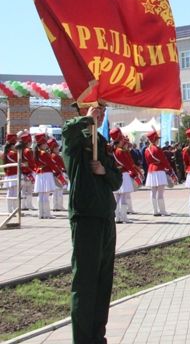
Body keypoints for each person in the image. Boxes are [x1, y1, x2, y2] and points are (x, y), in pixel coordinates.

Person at [62, 104, 122, 343]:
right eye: (95, 109)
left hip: (106, 215)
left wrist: (103, 171)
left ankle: (98, 336)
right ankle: (83, 339)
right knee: (85, 281)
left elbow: (116, 180)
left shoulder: (101, 141)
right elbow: (67, 132)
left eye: (103, 110)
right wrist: (85, 120)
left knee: (103, 281)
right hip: (86, 215)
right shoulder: (76, 140)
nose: (100, 113)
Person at [144, 130, 173, 216]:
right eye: (157, 139)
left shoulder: (146, 150)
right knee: (160, 192)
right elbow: (164, 160)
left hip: (151, 170)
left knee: (153, 192)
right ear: (154, 139)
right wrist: (169, 168)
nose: (158, 140)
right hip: (159, 170)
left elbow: (147, 161)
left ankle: (155, 211)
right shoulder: (157, 149)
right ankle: (163, 211)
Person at [110, 128, 136, 224]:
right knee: (124, 196)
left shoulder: (112, 151)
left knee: (117, 197)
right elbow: (128, 164)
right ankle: (124, 217)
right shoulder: (121, 151)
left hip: (116, 174)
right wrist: (135, 173)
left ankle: (117, 217)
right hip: (124, 175)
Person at [33, 133, 62, 219]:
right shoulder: (44, 153)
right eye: (45, 143)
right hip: (46, 173)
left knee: (41, 195)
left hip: (39, 174)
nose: (46, 145)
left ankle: (41, 213)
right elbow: (51, 164)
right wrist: (58, 171)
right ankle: (47, 214)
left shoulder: (36, 153)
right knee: (45, 195)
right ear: (41, 144)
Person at [48, 138, 68, 212]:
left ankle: (55, 206)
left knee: (55, 192)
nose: (58, 148)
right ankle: (59, 206)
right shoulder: (56, 156)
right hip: (58, 174)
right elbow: (63, 165)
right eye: (56, 147)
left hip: (52, 174)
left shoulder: (50, 155)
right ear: (53, 148)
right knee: (59, 191)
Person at [3, 133, 19, 214]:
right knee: (13, 193)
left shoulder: (8, 152)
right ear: (12, 145)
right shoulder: (12, 153)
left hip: (10, 174)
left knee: (12, 192)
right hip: (13, 174)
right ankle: (12, 210)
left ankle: (13, 209)